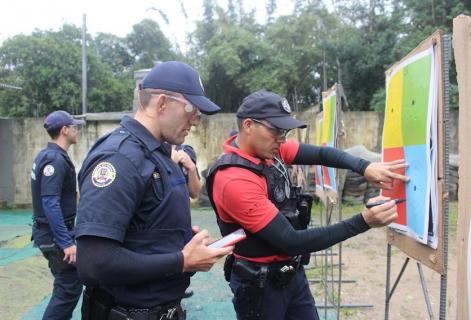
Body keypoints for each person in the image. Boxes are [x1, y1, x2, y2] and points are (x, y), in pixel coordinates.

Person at [206, 89, 410, 320]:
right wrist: (363, 221)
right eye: (276, 130)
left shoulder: (268, 151)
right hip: (260, 286)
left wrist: (364, 166)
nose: (282, 139)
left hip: (290, 273)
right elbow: (291, 241)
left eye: (284, 131)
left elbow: (322, 155)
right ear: (249, 125)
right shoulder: (234, 180)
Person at [75, 61, 232, 320]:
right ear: (161, 104)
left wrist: (178, 241)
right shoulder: (120, 158)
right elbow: (94, 263)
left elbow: (143, 230)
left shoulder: (161, 153)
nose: (196, 120)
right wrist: (181, 260)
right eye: (191, 109)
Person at [30, 110, 85, 320]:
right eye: (74, 126)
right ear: (64, 130)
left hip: (50, 232)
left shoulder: (48, 155)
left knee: (66, 286)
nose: (76, 130)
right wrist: (66, 243)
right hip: (54, 236)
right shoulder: (55, 160)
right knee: (68, 288)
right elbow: (50, 202)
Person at [171, 144, 202, 299]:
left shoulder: (186, 151)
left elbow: (195, 192)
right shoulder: (145, 151)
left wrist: (191, 167)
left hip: (181, 224)